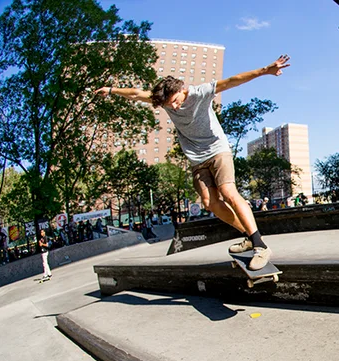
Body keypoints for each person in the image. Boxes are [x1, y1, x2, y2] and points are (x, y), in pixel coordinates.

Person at [96, 55, 291, 270]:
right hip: (197, 159)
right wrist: (111, 90)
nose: (175, 108)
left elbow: (234, 80)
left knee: (228, 192)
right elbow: (135, 94)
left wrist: (266, 69)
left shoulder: (201, 92)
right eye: (170, 106)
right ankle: (247, 235)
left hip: (218, 151)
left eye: (176, 102)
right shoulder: (163, 101)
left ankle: (260, 245)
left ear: (181, 89)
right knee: (209, 203)